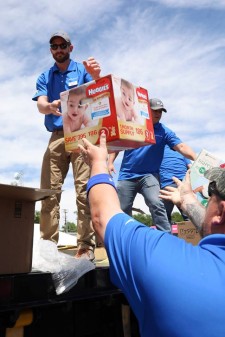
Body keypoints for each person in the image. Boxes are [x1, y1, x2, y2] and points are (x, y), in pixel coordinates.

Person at [78, 132, 225, 337]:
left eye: (210, 197)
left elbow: (103, 216)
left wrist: (98, 164)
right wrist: (189, 202)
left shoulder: (163, 258)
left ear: (221, 212)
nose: (206, 201)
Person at [32, 31, 101, 261]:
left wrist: (96, 76)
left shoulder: (81, 71)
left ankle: (85, 246)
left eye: (63, 45)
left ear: (71, 48)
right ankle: (48, 246)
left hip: (81, 134)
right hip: (57, 136)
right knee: (49, 192)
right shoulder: (45, 76)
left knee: (84, 190)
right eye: (54, 46)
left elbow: (97, 95)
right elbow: (41, 104)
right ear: (51, 49)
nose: (58, 49)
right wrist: (48, 106)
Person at [108, 98, 196, 232]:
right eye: (154, 110)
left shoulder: (164, 131)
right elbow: (118, 145)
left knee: (156, 203)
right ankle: (124, 238)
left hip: (149, 176)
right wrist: (110, 162)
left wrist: (197, 158)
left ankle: (165, 237)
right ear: (146, 111)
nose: (158, 113)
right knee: (122, 208)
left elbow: (182, 147)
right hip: (127, 174)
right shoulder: (132, 125)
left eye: (160, 111)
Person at [159, 144, 192, 223]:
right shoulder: (181, 151)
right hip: (181, 185)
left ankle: (166, 234)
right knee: (189, 216)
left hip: (169, 185)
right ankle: (193, 233)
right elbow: (191, 167)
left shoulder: (158, 150)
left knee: (164, 218)